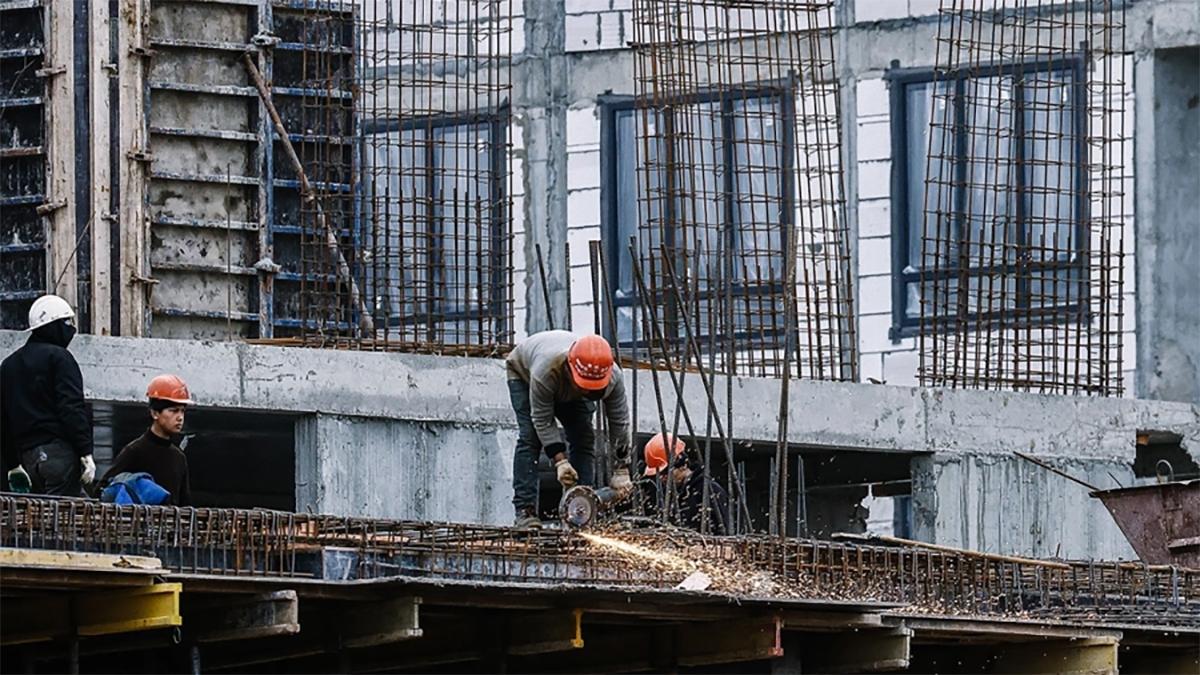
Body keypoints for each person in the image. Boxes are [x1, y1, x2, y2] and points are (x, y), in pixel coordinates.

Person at [506, 330, 633, 528]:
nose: (586, 391)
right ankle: (525, 511)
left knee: (584, 436)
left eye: (593, 388)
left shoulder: (614, 376)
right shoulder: (546, 370)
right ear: (569, 368)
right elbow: (542, 419)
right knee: (530, 437)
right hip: (523, 374)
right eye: (584, 385)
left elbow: (620, 422)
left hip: (563, 384)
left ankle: (582, 506)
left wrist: (621, 467)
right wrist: (560, 462)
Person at [1, 295, 95, 496]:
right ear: (54, 326)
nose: (71, 328)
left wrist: (12, 464)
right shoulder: (60, 358)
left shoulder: (8, 365)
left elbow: (3, 419)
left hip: (27, 460)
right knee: (63, 520)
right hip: (58, 455)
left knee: (39, 519)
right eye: (66, 322)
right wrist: (85, 451)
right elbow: (71, 407)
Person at [99, 374, 193, 506]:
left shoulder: (179, 458)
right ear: (155, 413)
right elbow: (103, 491)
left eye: (182, 411)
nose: (180, 417)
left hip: (169, 525)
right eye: (173, 411)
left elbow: (185, 505)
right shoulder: (135, 451)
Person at [669, 447, 732, 535]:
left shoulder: (709, 489)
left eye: (666, 472)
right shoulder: (678, 492)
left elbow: (721, 530)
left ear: (683, 466)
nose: (662, 477)